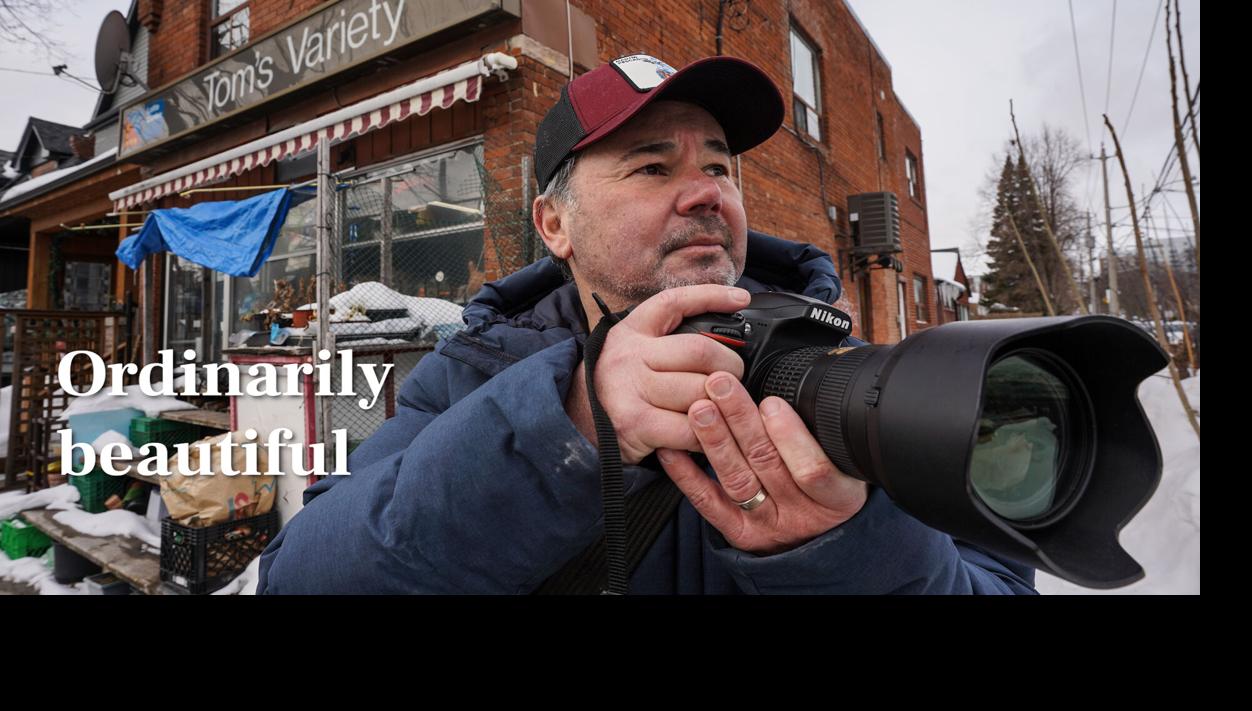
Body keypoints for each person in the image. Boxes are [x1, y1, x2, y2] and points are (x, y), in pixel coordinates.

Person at [257, 52, 1035, 594]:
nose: (707, 193)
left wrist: (847, 549)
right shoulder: (470, 373)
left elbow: (1000, 577)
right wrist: (571, 424)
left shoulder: (847, 377)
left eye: (719, 167)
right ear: (555, 225)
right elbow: (301, 578)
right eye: (653, 167)